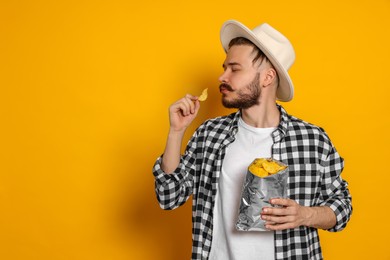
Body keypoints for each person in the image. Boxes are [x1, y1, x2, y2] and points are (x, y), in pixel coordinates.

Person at [152, 20, 352, 260]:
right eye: (224, 67)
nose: (221, 77)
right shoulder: (210, 134)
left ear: (267, 78)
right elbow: (169, 197)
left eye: (234, 69)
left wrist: (305, 215)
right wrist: (176, 132)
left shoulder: (312, 140)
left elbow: (342, 207)